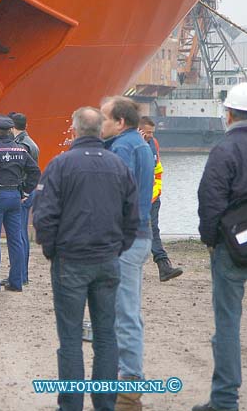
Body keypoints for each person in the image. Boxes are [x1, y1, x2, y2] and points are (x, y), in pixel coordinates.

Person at [34, 107, 139, 411]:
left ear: (75, 129)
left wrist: (52, 249)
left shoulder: (60, 165)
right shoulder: (118, 165)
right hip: (107, 259)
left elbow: (44, 215)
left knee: (70, 338)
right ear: (99, 130)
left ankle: (71, 404)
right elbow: (133, 215)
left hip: (71, 260)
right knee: (106, 336)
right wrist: (118, 247)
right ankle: (105, 403)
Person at [192, 82, 247, 411]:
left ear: (228, 114)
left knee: (227, 322)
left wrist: (210, 241)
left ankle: (225, 398)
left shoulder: (223, 151)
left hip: (231, 249)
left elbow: (209, 200)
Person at [100, 97, 154, 411]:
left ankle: (129, 385)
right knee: (127, 310)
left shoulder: (122, 148)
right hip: (139, 236)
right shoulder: (140, 144)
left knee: (125, 312)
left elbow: (116, 196)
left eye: (105, 118)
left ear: (120, 122)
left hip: (126, 240)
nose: (101, 123)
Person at [0, 114, 40, 292]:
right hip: (15, 196)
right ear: (10, 131)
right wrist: (26, 191)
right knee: (16, 240)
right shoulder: (21, 150)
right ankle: (16, 281)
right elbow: (35, 172)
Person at [138, 116, 183, 282]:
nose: (150, 135)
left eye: (152, 132)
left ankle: (163, 265)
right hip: (136, 199)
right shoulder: (132, 146)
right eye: (148, 132)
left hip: (152, 197)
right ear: (139, 129)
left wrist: (155, 193)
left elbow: (158, 170)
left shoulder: (153, 143)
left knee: (153, 230)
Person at [10, 112, 40, 285]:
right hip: (27, 192)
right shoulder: (29, 143)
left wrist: (25, 192)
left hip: (22, 192)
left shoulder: (22, 145)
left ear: (12, 127)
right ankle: (21, 274)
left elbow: (26, 171)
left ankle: (21, 275)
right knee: (20, 234)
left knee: (19, 234)